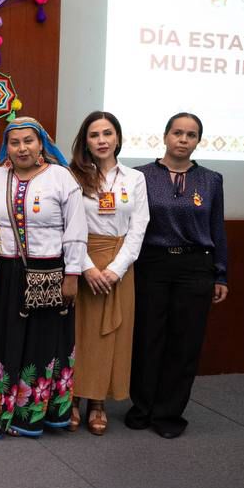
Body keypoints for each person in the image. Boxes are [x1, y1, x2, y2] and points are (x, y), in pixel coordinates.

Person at [0, 117, 87, 439]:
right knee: (2, 336)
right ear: (7, 147)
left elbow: (76, 230)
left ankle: (32, 413)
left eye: (28, 141)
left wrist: (73, 275)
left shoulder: (61, 178)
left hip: (49, 272)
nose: (22, 148)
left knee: (43, 342)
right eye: (15, 142)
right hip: (4, 274)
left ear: (42, 144)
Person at [129, 112, 228, 439]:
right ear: (166, 136)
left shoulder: (212, 180)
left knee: (184, 344)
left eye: (191, 135)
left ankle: (169, 414)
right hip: (152, 265)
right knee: (147, 338)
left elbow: (217, 229)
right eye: (177, 133)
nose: (183, 139)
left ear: (198, 141)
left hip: (195, 268)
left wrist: (220, 274)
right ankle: (142, 408)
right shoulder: (139, 176)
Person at [68, 111, 148, 435]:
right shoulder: (71, 176)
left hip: (120, 265)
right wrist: (87, 267)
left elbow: (139, 226)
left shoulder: (134, 178)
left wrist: (115, 270)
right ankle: (72, 400)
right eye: (94, 135)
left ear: (117, 138)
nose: (101, 140)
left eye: (107, 133)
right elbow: (69, 225)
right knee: (80, 335)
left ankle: (98, 403)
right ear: (85, 141)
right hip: (82, 261)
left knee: (110, 336)